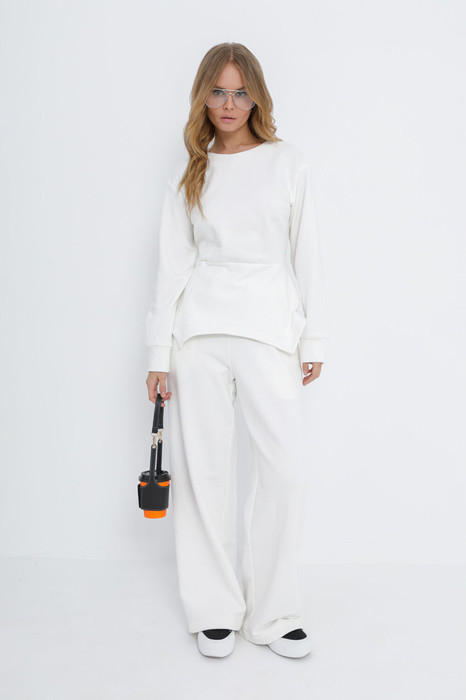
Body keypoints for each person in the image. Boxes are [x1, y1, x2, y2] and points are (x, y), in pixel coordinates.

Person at [145, 42, 329, 659]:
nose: (229, 104)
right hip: (198, 336)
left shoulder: (288, 162)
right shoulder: (191, 170)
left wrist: (314, 335)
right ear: (203, 96)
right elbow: (172, 266)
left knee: (285, 472)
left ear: (257, 97)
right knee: (206, 475)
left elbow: (308, 254)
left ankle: (274, 614)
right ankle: (214, 610)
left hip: (269, 331)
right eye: (218, 91)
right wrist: (158, 352)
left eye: (240, 92)